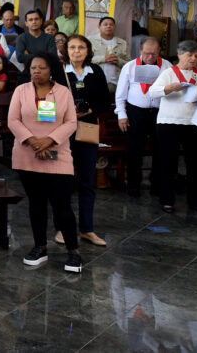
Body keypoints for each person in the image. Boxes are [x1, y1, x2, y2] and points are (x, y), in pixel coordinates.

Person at [8, 52, 82, 273]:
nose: (36, 72)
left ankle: (74, 252)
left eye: (41, 68)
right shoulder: (21, 91)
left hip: (57, 154)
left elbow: (71, 122)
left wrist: (48, 141)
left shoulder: (63, 92)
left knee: (62, 206)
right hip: (27, 155)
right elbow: (13, 120)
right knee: (36, 204)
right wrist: (33, 142)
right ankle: (40, 247)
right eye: (33, 68)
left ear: (51, 71)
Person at [147, 40, 197, 215]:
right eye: (189, 55)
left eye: (196, 56)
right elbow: (152, 92)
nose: (193, 59)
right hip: (169, 122)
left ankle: (196, 202)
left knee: (195, 164)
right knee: (168, 162)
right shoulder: (169, 73)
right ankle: (167, 200)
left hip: (194, 123)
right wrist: (168, 88)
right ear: (179, 55)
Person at [57, 35, 110, 247]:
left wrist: (90, 110)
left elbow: (105, 101)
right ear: (66, 50)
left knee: (88, 180)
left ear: (88, 50)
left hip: (87, 128)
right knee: (64, 181)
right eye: (72, 47)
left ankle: (87, 228)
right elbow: (47, 101)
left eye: (81, 47)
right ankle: (62, 228)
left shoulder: (95, 72)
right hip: (64, 131)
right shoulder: (59, 72)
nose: (76, 51)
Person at [115, 37, 171, 198]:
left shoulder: (167, 66)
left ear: (159, 51)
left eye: (154, 54)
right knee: (134, 151)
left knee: (160, 150)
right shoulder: (130, 66)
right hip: (136, 112)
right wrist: (122, 115)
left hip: (159, 112)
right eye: (147, 54)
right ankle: (133, 186)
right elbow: (121, 94)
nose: (150, 57)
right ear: (140, 51)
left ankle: (157, 186)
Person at [88, 16, 130, 90]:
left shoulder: (122, 43)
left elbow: (129, 64)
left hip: (117, 83)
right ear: (99, 26)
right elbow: (84, 60)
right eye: (105, 24)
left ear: (115, 27)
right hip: (96, 81)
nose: (108, 26)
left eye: (111, 24)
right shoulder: (90, 41)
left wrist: (118, 61)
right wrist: (103, 58)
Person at [14, 9, 54, 81]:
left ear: (41, 21)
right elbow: (20, 57)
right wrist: (43, 54)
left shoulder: (49, 38)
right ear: (26, 23)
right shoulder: (22, 38)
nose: (34, 22)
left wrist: (29, 55)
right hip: (27, 74)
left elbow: (52, 57)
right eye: (31, 20)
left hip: (47, 74)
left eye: (36, 19)